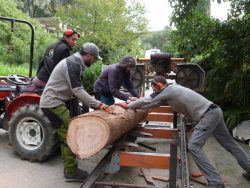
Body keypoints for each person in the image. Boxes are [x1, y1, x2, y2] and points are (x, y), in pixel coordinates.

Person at [119, 76, 250, 188]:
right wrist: (136, 104)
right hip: (214, 111)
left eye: (154, 88)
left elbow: (149, 99)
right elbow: (152, 103)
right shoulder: (170, 92)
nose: (153, 90)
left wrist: (128, 105)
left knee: (194, 146)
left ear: (158, 85)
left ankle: (215, 182)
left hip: (208, 115)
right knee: (230, 144)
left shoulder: (169, 89)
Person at [40, 42, 114, 182]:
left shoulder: (75, 63)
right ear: (88, 55)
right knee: (70, 134)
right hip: (52, 103)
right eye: (94, 58)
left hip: (55, 103)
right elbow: (78, 90)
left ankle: (69, 167)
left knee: (66, 134)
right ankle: (71, 171)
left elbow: (75, 89)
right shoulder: (73, 63)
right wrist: (99, 105)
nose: (94, 61)